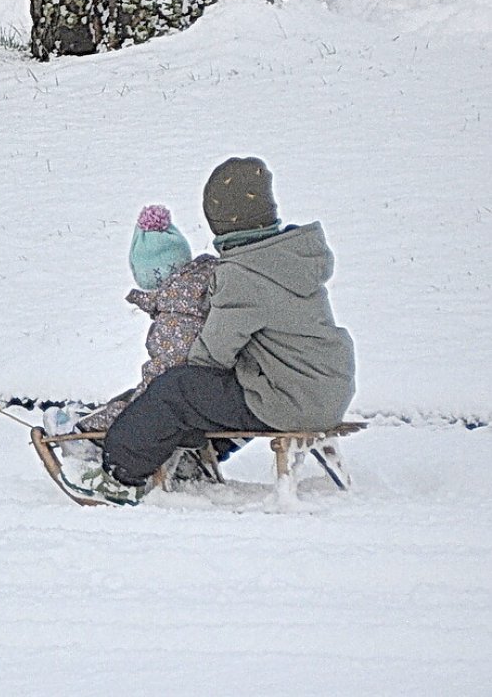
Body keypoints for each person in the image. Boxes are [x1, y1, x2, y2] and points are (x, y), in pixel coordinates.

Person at [79, 157, 357, 504]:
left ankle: (119, 472)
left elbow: (212, 354)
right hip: (328, 388)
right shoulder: (289, 256)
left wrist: (168, 368)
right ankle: (194, 454)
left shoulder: (244, 274)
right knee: (227, 387)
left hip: (292, 400)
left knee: (179, 388)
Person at [45, 205, 220, 440]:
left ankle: (84, 437)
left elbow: (154, 391)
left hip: (193, 403)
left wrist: (92, 427)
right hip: (209, 392)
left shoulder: (175, 319)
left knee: (141, 405)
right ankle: (91, 417)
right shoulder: (200, 292)